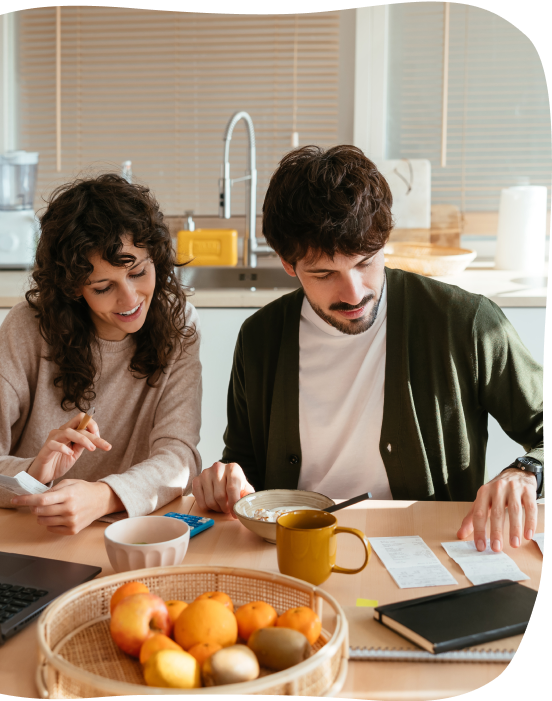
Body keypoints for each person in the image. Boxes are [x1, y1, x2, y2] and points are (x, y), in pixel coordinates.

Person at [193, 145, 544, 553]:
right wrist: (223, 481)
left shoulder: (466, 323)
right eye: (324, 273)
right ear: (289, 265)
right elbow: (244, 466)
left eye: (365, 262)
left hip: (428, 548)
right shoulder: (260, 339)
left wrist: (526, 471)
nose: (354, 293)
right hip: (296, 551)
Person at [0, 174, 202, 534]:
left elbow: (179, 460)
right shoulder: (28, 329)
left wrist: (103, 496)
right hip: (26, 535)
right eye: (104, 287)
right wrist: (33, 473)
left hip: (123, 536)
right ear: (74, 289)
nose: (130, 298)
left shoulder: (177, 323)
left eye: (138, 272)